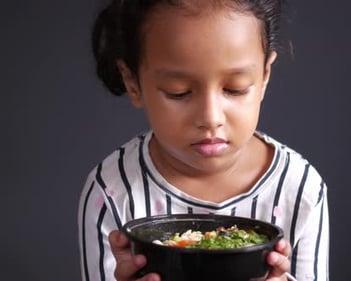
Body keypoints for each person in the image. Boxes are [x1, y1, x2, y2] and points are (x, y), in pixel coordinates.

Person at [78, 0, 330, 280]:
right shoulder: (112, 192)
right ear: (132, 83)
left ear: (264, 77)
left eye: (235, 89)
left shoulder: (300, 189)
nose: (211, 118)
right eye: (179, 92)